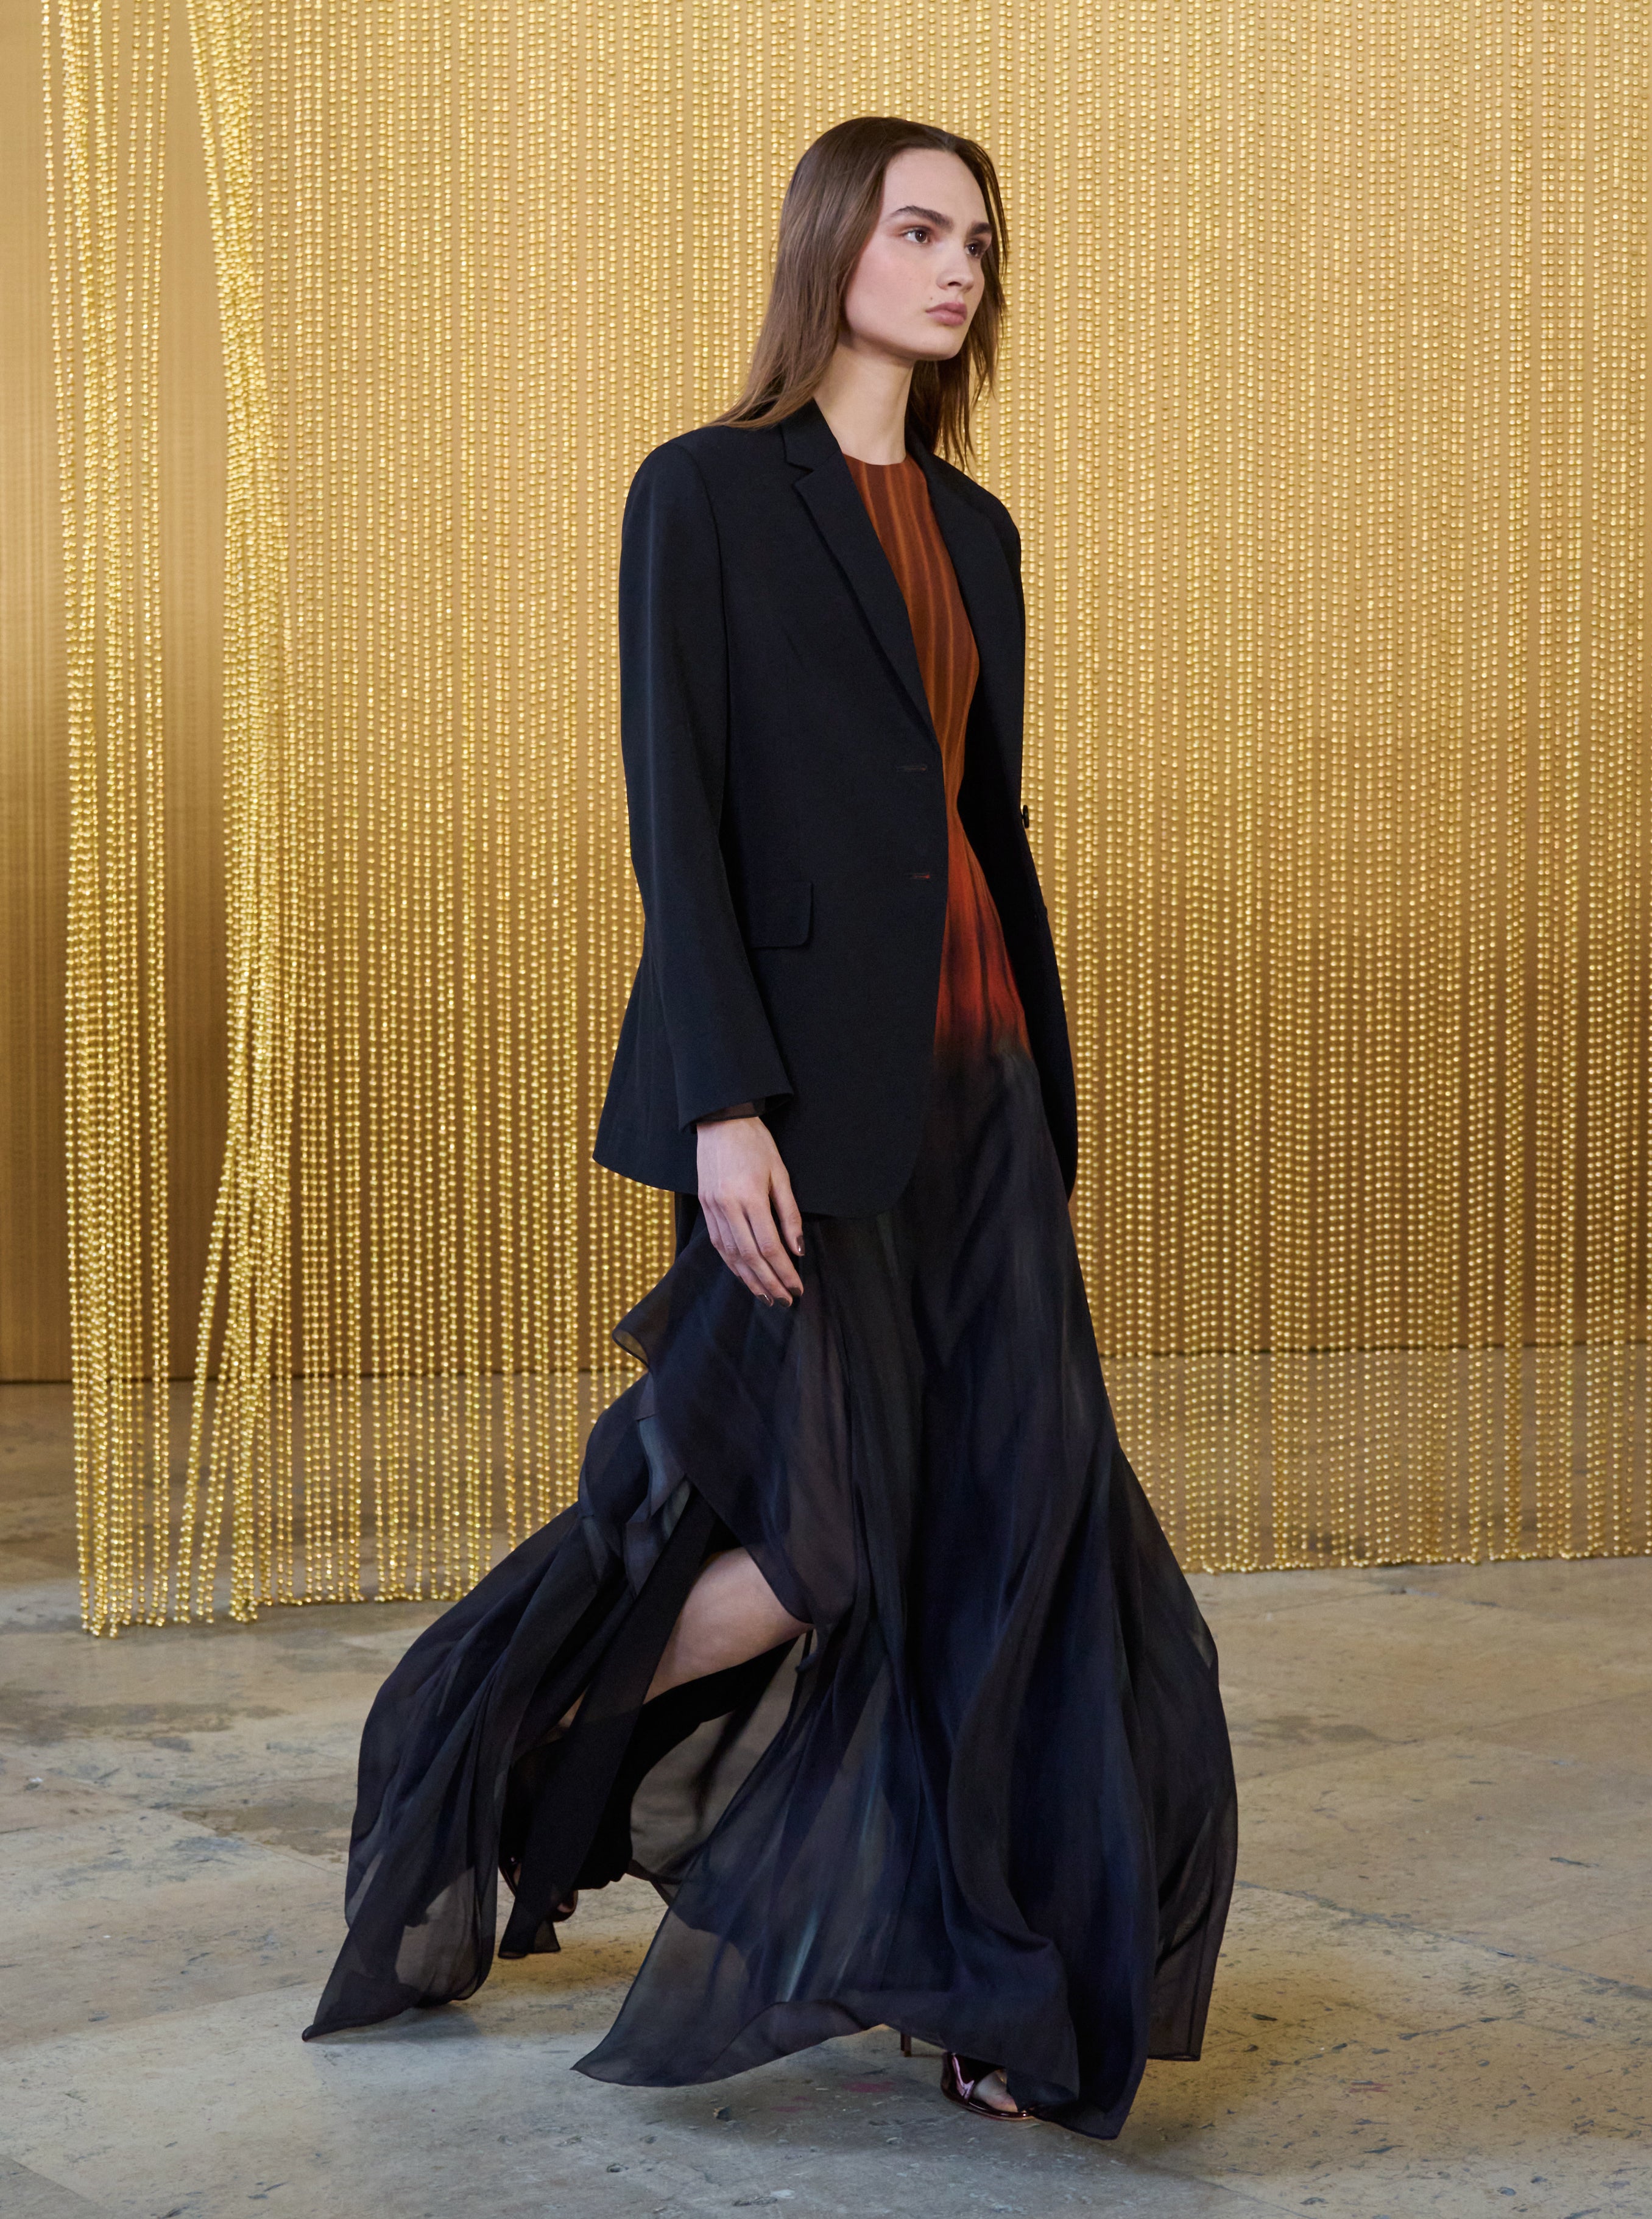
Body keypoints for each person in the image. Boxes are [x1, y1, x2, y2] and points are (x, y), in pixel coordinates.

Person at [305, 113, 1237, 2139]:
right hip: (810, 1100)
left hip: (984, 1094)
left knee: (1021, 1535)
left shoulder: (976, 531)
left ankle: (993, 1980)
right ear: (832, 246)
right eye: (919, 228)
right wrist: (723, 1103)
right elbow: (681, 817)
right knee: (818, 1541)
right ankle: (530, 1738)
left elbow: (978, 830)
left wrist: (1047, 1099)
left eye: (978, 238)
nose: (957, 266)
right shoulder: (707, 495)